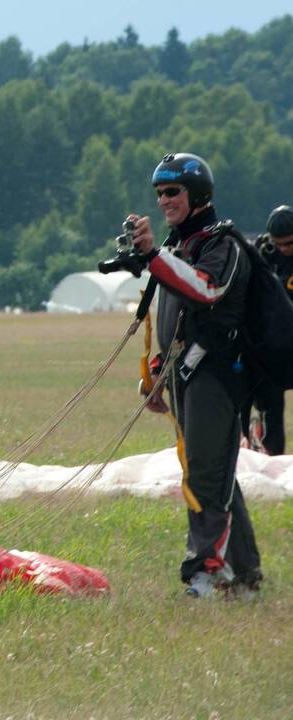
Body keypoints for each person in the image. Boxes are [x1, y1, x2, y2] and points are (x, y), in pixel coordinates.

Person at [129, 152, 263, 600]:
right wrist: (156, 371)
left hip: (219, 374)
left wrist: (153, 256)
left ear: (198, 195)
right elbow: (174, 315)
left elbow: (205, 289)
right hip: (184, 374)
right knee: (215, 471)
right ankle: (245, 577)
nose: (164, 200)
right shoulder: (178, 246)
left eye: (173, 192)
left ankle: (205, 571)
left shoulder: (221, 244)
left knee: (205, 472)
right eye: (160, 193)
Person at [240, 204, 293, 455]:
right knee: (269, 399)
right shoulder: (264, 254)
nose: (283, 249)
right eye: (278, 244)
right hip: (273, 344)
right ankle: (271, 456)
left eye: (289, 244)